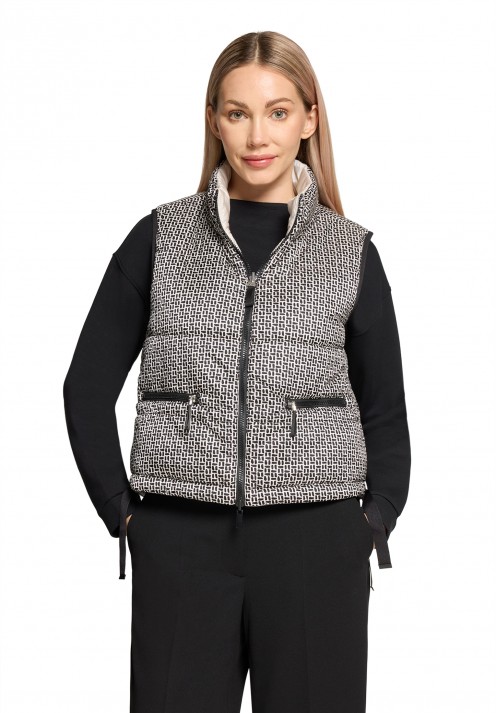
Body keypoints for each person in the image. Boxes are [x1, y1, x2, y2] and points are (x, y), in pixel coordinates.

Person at [63, 30, 410, 713]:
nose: (257, 135)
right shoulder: (159, 238)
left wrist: (373, 520)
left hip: (316, 543)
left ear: (309, 119)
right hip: (181, 540)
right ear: (214, 121)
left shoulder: (349, 252)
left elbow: (385, 409)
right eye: (237, 112)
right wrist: (125, 515)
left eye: (278, 111)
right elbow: (85, 387)